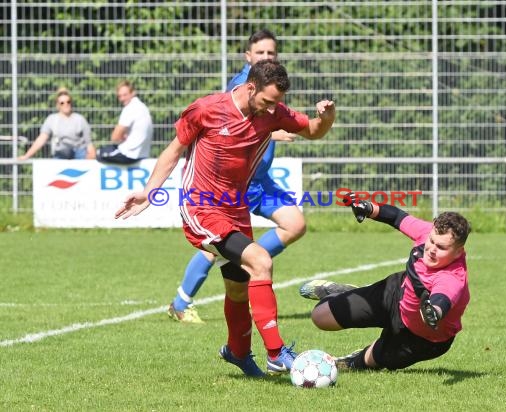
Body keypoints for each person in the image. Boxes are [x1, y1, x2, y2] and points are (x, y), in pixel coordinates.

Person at [115, 60, 336, 377]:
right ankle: (276, 353)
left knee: (238, 288)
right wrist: (150, 191)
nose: (273, 109)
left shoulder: (272, 112)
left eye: (277, 103)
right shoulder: (206, 109)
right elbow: (174, 149)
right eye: (268, 101)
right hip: (201, 208)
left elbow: (313, 131)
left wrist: (326, 118)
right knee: (260, 260)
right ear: (250, 87)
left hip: (236, 210)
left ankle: (238, 352)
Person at [168, 29, 303, 324]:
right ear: (248, 57)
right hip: (235, 184)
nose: (266, 57)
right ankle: (182, 302)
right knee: (216, 247)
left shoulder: (270, 85)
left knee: (295, 224)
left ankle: (249, 264)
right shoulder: (245, 85)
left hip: (260, 180)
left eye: (271, 53)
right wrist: (273, 130)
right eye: (261, 53)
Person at [299, 191, 471, 371]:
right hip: (396, 292)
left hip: (420, 338)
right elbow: (397, 217)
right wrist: (368, 208)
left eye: (441, 247)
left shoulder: (453, 278)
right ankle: (349, 293)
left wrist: (433, 312)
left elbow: (442, 299)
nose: (432, 249)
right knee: (319, 317)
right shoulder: (429, 232)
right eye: (432, 241)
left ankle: (354, 360)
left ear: (458, 252)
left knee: (367, 362)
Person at [19, 87, 95, 160]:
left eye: (68, 102)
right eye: (62, 103)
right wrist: (27, 156)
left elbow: (89, 143)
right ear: (58, 105)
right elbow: (41, 139)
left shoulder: (80, 119)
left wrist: (91, 157)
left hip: (78, 153)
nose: (66, 104)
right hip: (61, 154)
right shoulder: (52, 119)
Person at [97, 80, 153, 164]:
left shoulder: (130, 108)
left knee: (97, 153)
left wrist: (120, 136)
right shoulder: (142, 107)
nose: (122, 99)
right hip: (143, 154)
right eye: (119, 96)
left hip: (130, 155)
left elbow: (114, 137)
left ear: (133, 93)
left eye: (125, 95)